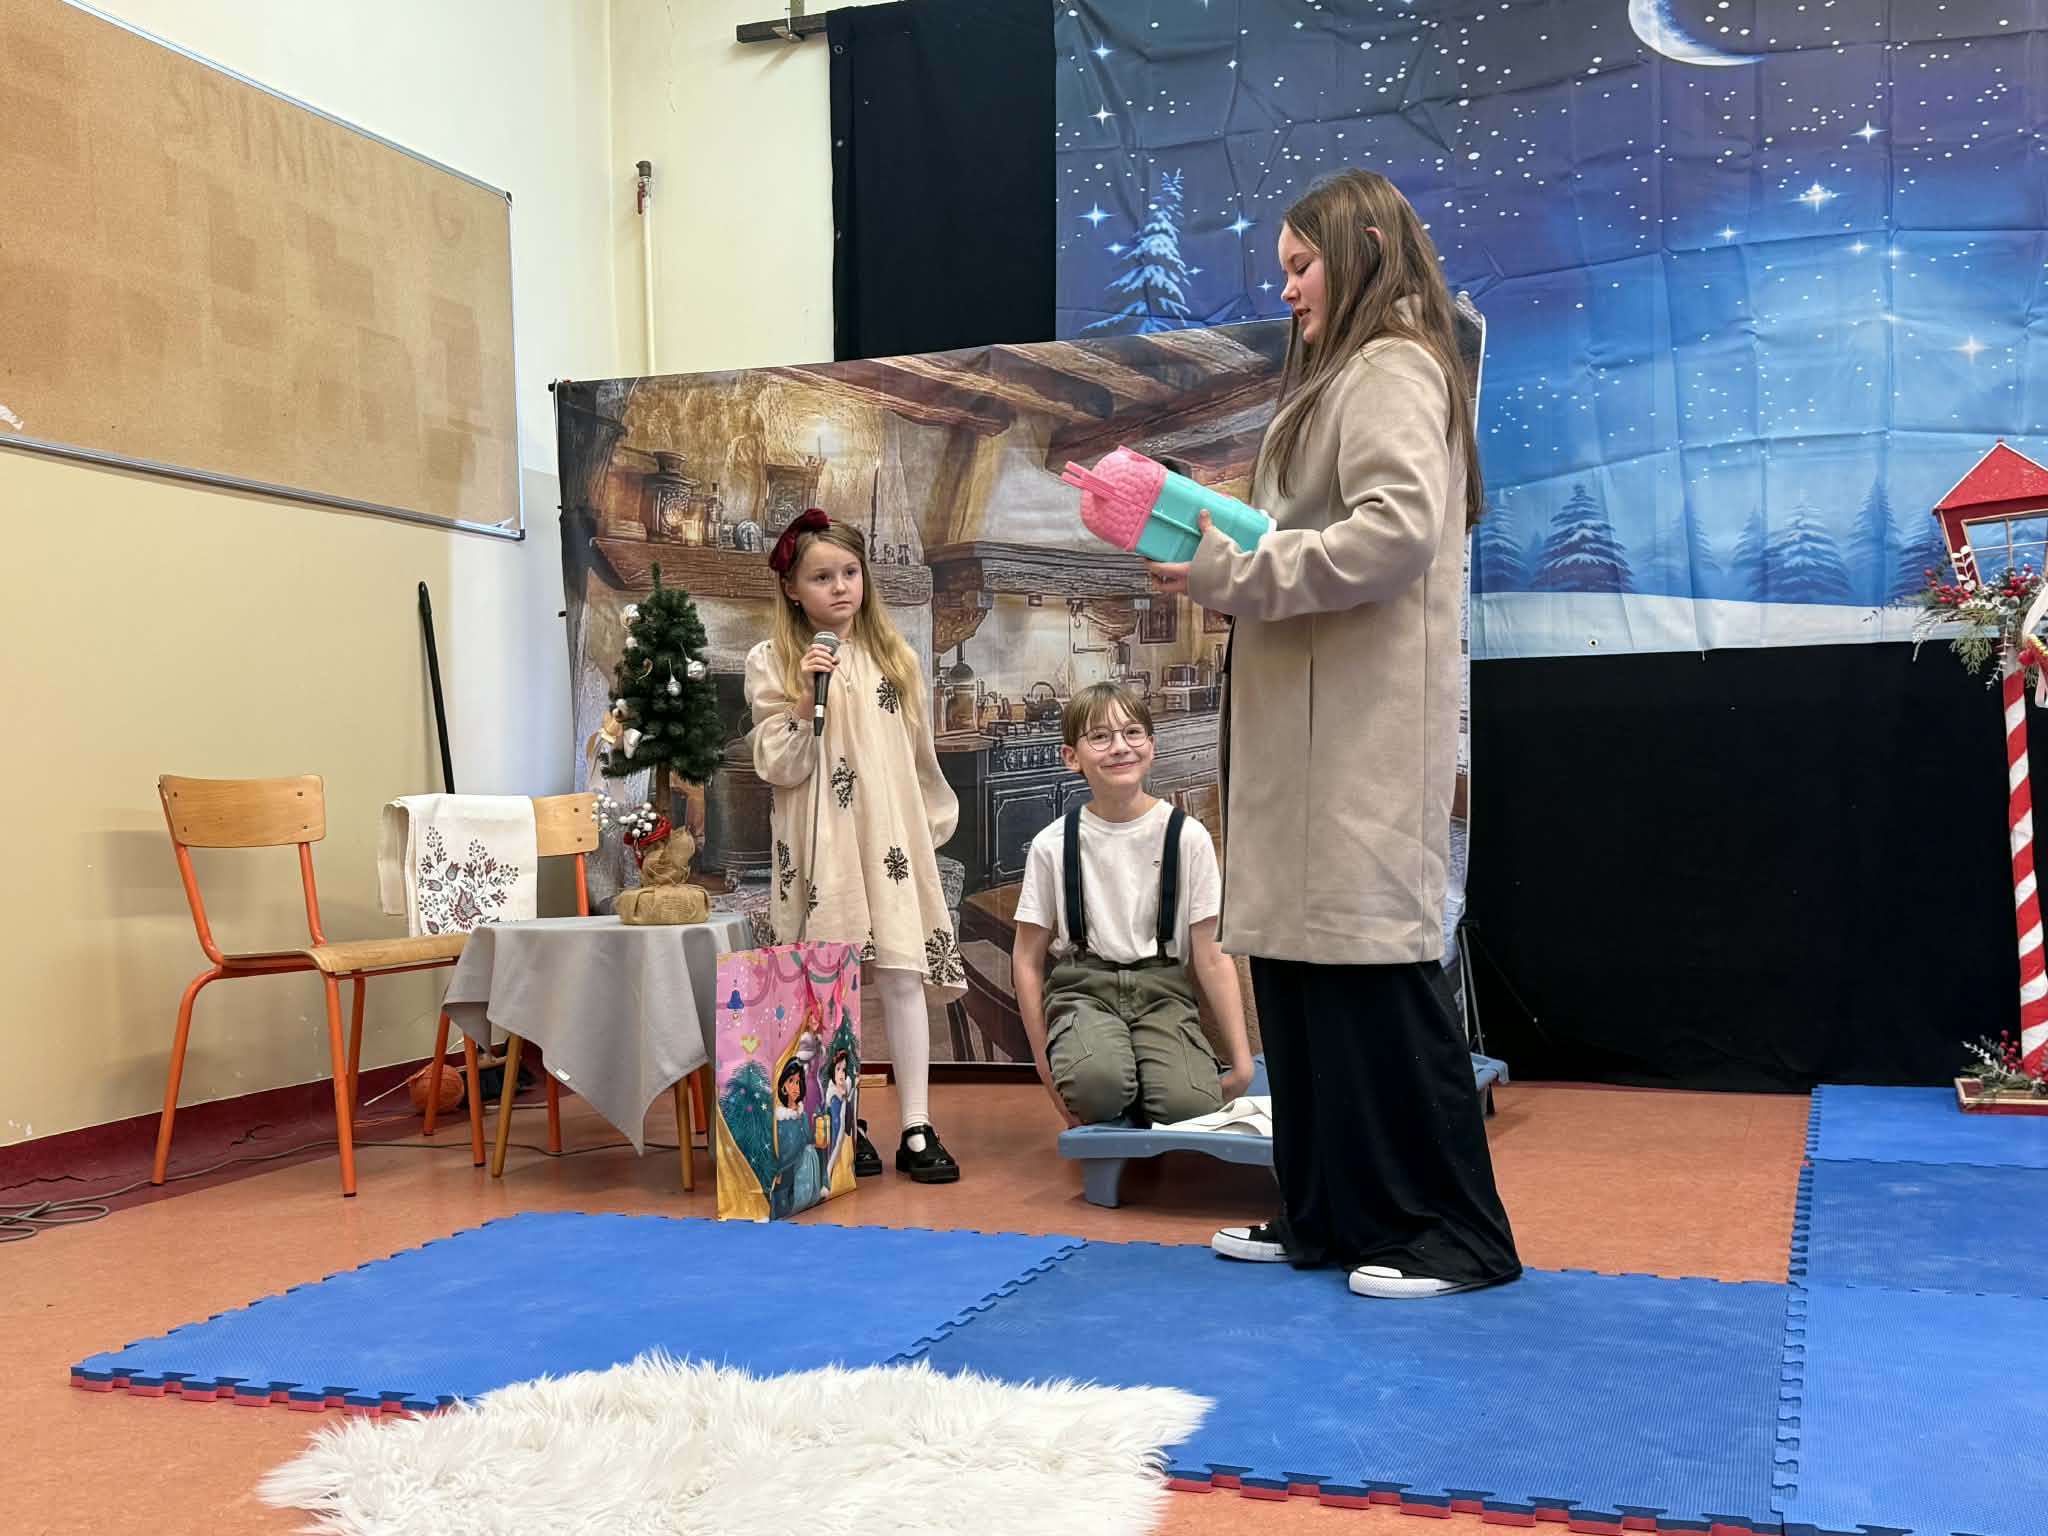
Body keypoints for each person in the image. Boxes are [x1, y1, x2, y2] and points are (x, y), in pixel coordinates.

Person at [1144, 168, 1521, 1300]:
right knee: (1303, 981)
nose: (1287, 289)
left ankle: (1458, 1236)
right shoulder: (1343, 375)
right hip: (1304, 730)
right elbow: (1318, 533)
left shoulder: (1393, 366)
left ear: (1362, 248)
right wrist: (1223, 553)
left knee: (1376, 978)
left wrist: (1234, 570)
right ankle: (1324, 1213)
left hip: (1355, 734)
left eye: (1301, 266)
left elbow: (1394, 533)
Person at [745, 510, 965, 1184]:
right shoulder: (772, 661)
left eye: (849, 572)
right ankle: (843, 1118)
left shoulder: (896, 660)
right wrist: (803, 699)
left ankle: (917, 1125)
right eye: (821, 577)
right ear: (792, 589)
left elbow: (919, 759)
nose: (840, 587)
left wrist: (924, 831)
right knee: (829, 981)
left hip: (888, 840)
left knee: (901, 973)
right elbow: (778, 765)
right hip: (823, 845)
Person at [1012, 683, 1254, 1129]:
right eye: (1100, 737)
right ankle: (1110, 1079)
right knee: (1097, 1090)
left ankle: (1153, 1079)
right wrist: (1045, 1068)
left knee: (1190, 1108)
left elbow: (1211, 955)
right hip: (1083, 991)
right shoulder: (1052, 844)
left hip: (1164, 991)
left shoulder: (1187, 836)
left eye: (1132, 732)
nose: (1120, 747)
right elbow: (1026, 959)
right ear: (1072, 757)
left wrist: (1242, 1063)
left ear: (1151, 746)